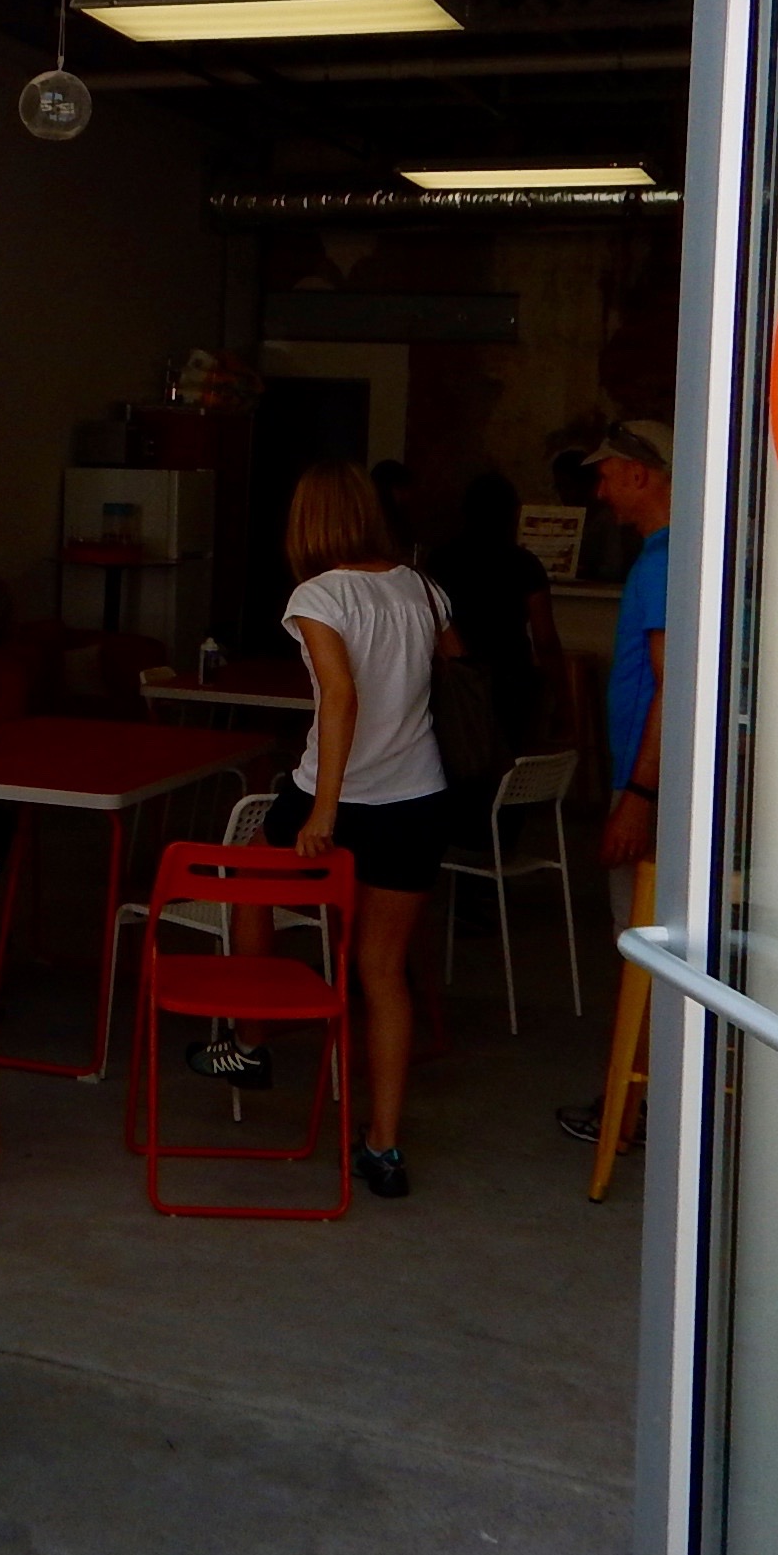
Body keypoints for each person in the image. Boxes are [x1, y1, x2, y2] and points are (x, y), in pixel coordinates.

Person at [196, 460, 456, 1199]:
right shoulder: (424, 589)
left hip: (334, 794)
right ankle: (384, 1144)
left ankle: (251, 1040)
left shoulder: (319, 595)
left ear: (308, 522)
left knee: (247, 879)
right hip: (418, 795)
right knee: (384, 970)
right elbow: (451, 666)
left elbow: (339, 696)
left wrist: (325, 809)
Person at [561, 418, 672, 1147]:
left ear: (640, 473)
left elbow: (672, 683)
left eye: (606, 475)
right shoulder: (668, 554)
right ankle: (640, 1105)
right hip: (651, 782)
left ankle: (635, 1111)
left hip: (648, 786)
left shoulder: (663, 560)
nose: (600, 492)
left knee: (642, 951)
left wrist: (640, 796)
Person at [432, 471, 569, 755]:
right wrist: (563, 697)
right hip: (512, 679)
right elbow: (545, 640)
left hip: (456, 684)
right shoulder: (525, 564)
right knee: (513, 765)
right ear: (514, 513)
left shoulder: (439, 561)